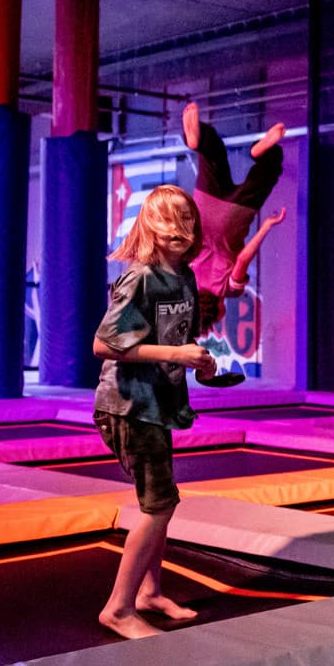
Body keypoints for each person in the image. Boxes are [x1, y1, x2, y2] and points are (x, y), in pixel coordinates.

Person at [91, 184, 217, 639]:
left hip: (158, 404)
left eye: (187, 219)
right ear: (149, 225)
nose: (179, 229)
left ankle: (149, 592)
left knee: (159, 502)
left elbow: (177, 339)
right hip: (127, 406)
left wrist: (199, 362)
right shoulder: (140, 277)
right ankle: (119, 608)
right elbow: (103, 343)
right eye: (168, 219)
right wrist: (177, 354)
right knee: (160, 505)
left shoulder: (184, 277)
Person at [183, 102, 287, 336]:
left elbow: (242, 259)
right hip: (204, 208)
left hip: (233, 218)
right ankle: (197, 142)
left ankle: (261, 153)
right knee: (212, 152)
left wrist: (266, 226)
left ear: (217, 312)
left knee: (268, 171)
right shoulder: (186, 277)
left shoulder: (229, 290)